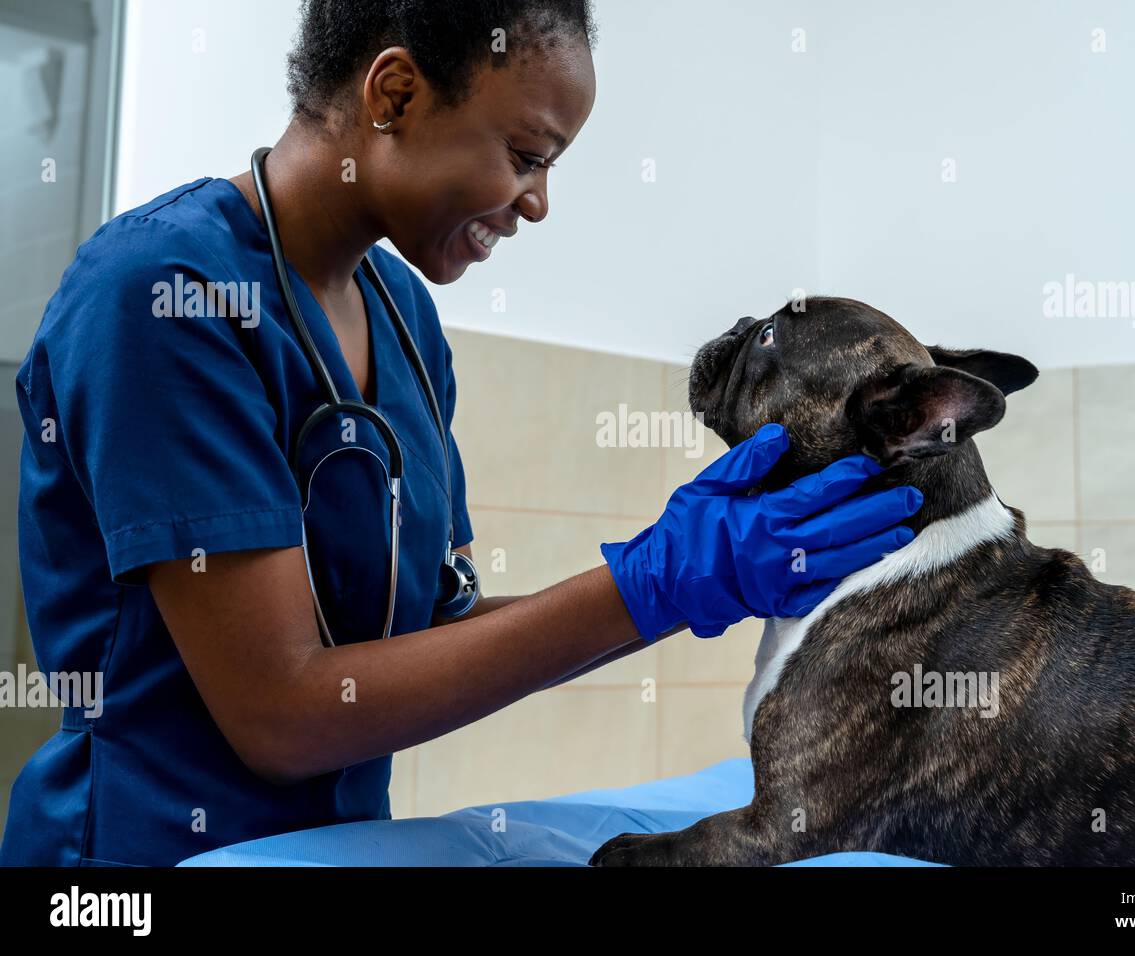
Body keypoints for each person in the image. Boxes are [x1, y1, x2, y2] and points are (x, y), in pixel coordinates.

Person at [0, 0, 921, 866]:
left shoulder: (402, 315)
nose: (537, 203)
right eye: (527, 154)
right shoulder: (165, 296)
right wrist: (654, 583)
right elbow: (280, 713)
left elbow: (445, 629)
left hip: (341, 849)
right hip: (136, 862)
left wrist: (675, 580)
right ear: (394, 93)